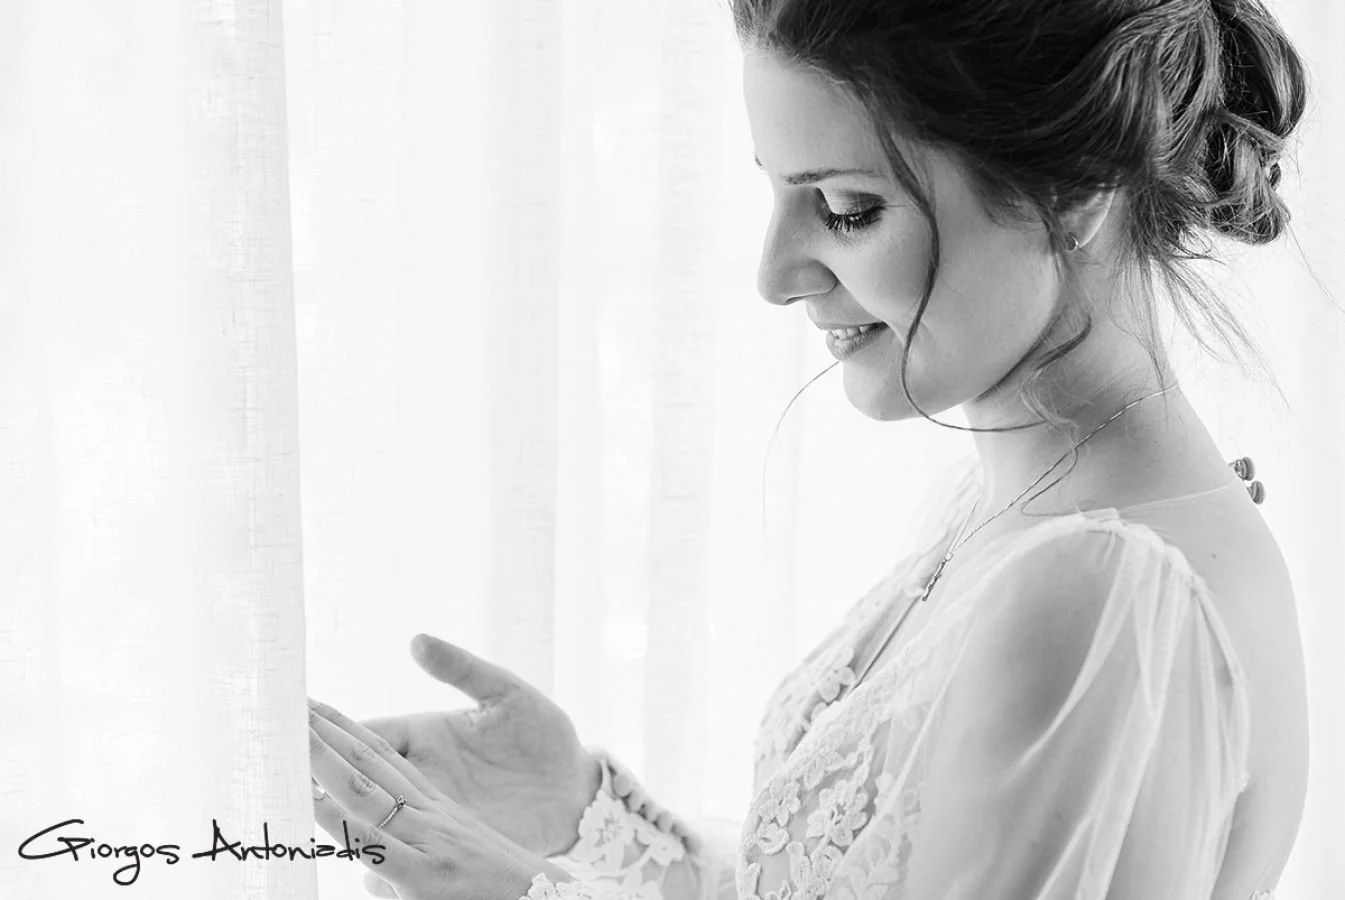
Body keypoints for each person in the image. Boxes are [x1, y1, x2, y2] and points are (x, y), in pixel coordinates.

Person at [305, 0, 1314, 897]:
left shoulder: (1099, 593)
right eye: (777, 195)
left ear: (1076, 186)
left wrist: (523, 893)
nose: (774, 273)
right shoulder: (1017, 509)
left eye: (844, 210)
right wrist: (583, 816)